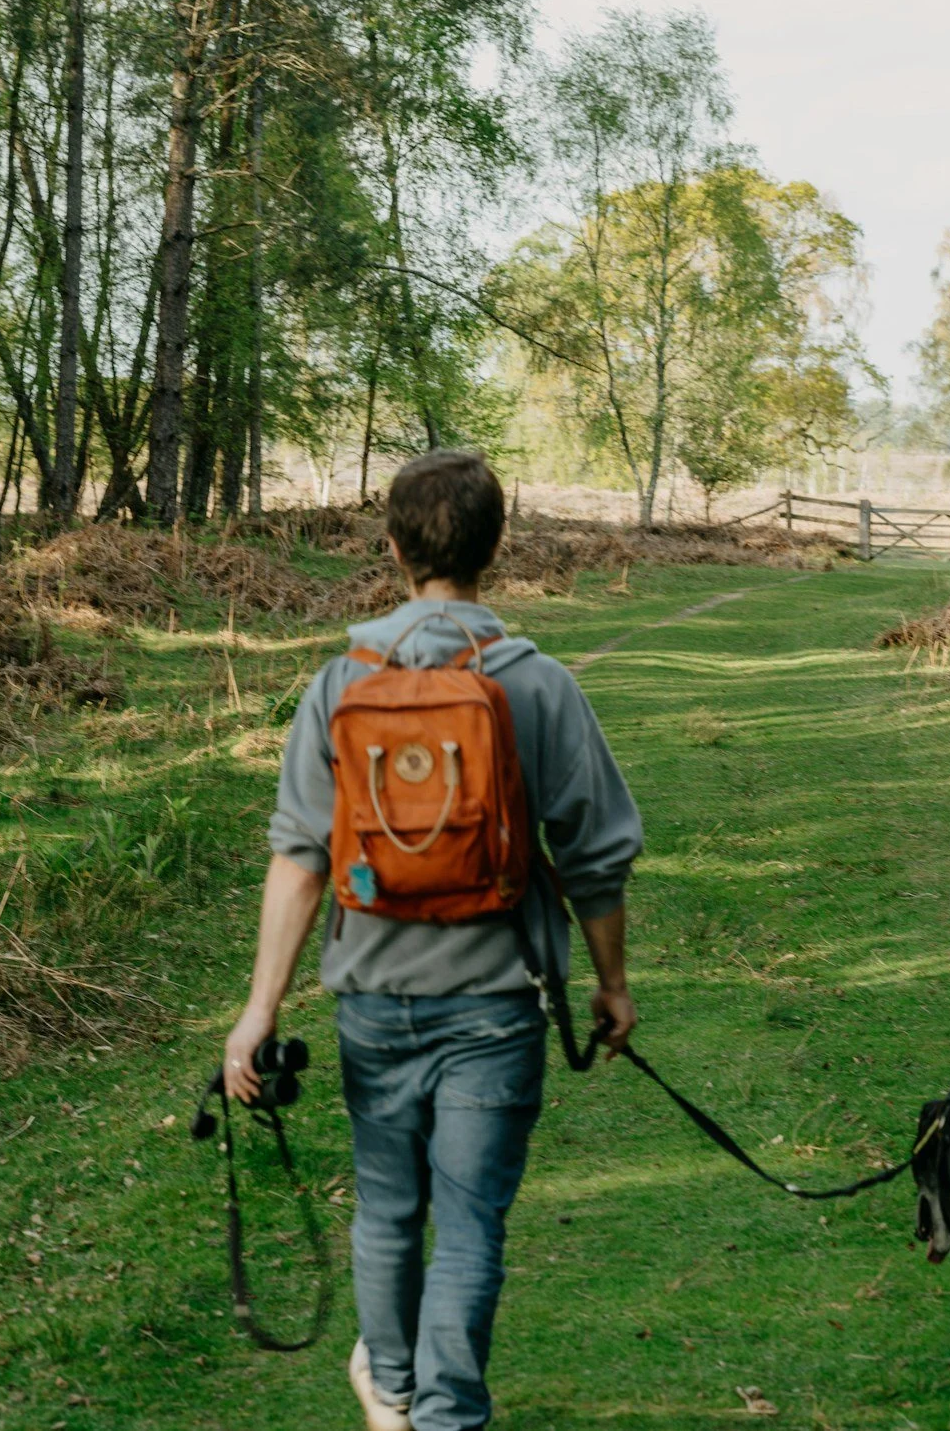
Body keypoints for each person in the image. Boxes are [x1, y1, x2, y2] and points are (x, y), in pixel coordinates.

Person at [225, 449, 642, 1431]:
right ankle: (448, 1413)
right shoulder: (538, 686)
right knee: (468, 1222)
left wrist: (257, 1011)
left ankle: (396, 1397)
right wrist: (612, 984)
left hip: (372, 994)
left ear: (391, 547)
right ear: (498, 547)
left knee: (386, 1206)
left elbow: (298, 856)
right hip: (497, 1003)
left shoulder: (339, 683)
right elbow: (595, 855)